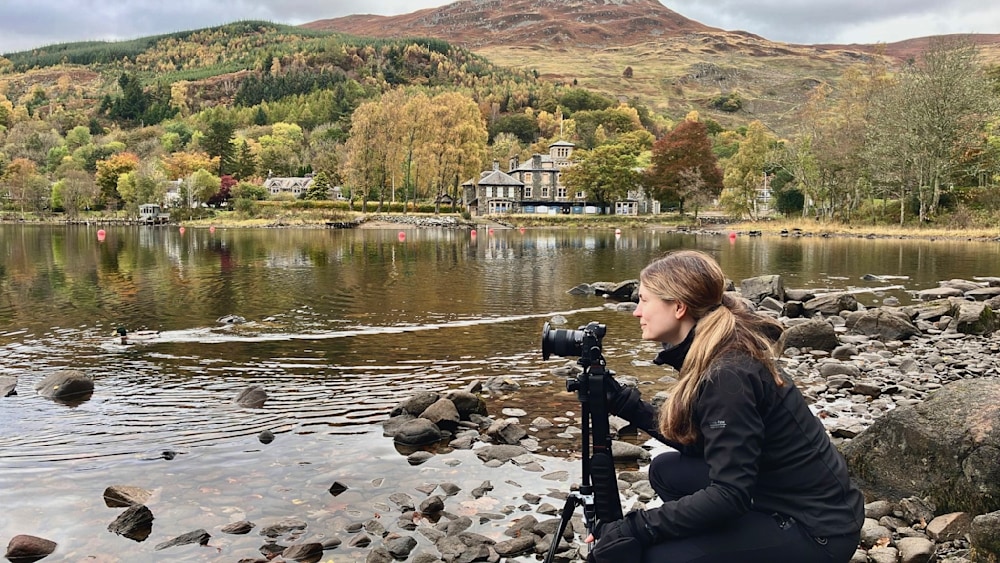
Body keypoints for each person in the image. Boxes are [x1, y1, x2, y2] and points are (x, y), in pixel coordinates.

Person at [587, 250, 863, 563]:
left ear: (678, 307)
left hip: (819, 530)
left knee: (655, 556)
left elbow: (730, 493)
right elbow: (705, 446)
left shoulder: (728, 374)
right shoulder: (714, 347)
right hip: (776, 494)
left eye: (645, 300)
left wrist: (636, 529)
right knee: (666, 472)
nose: (637, 312)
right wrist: (625, 404)